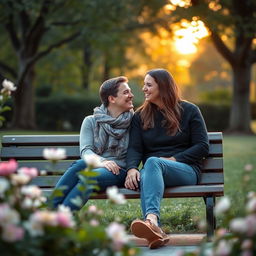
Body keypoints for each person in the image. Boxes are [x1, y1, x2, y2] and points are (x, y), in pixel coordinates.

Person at [124, 68, 209, 249]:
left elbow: (202, 146)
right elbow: (134, 148)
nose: (144, 89)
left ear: (162, 87)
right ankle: (155, 231)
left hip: (185, 169)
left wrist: (175, 159)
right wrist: (131, 167)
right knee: (149, 168)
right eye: (144, 85)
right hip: (153, 172)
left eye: (148, 85)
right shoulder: (140, 116)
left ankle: (152, 220)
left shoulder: (189, 110)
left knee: (152, 162)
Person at [52, 76, 134, 210]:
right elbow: (86, 151)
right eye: (126, 92)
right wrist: (103, 161)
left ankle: (62, 220)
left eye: (130, 92)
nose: (131, 95)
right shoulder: (90, 121)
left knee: (89, 178)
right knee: (81, 163)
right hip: (96, 165)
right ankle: (50, 215)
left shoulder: (134, 122)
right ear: (112, 99)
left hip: (118, 171)